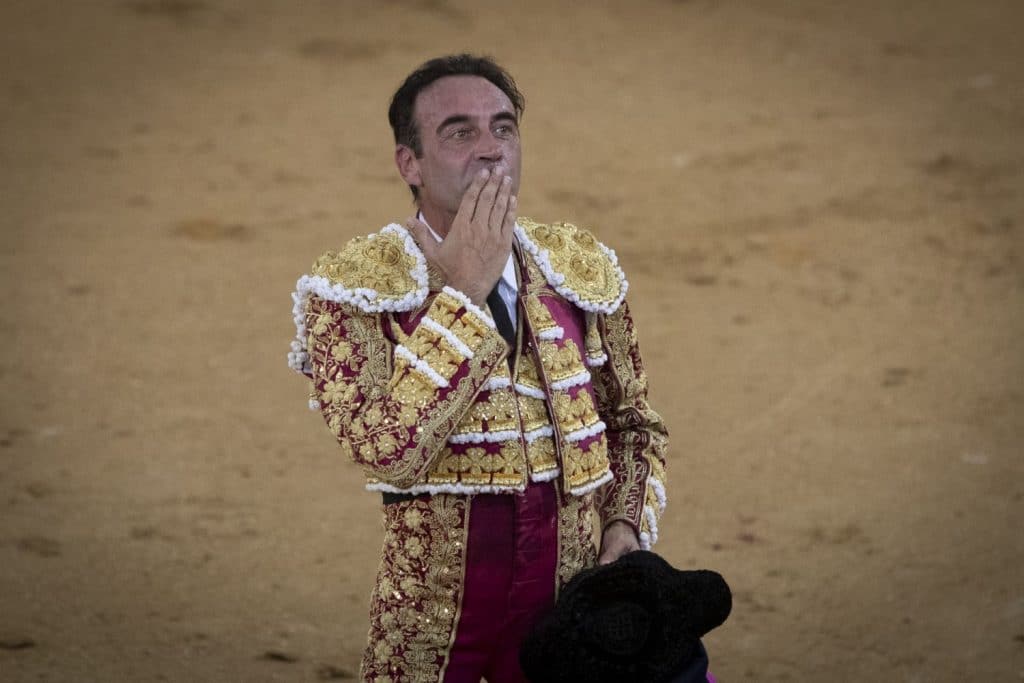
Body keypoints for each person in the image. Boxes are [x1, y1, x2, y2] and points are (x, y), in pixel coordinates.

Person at [287, 54, 668, 683]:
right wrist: (463, 293)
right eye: (460, 132)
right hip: (430, 618)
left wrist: (623, 526)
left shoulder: (579, 269)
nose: (490, 150)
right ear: (409, 163)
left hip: (566, 604)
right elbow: (385, 453)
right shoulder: (353, 289)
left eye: (504, 128)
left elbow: (632, 422)